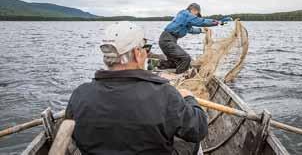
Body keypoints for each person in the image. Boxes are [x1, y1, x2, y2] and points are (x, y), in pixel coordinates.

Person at [65, 21, 208, 155]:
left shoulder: (80, 94)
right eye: (146, 48)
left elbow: (73, 135)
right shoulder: (165, 94)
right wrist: (189, 98)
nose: (147, 53)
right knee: (189, 141)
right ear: (137, 53)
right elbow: (199, 129)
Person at [159, 3, 222, 74]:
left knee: (176, 62)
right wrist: (216, 22)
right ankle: (179, 76)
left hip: (168, 40)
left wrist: (201, 30)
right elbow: (200, 21)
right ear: (194, 10)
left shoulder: (184, 19)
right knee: (185, 58)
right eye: (196, 15)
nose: (196, 16)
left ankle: (161, 65)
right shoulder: (186, 14)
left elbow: (191, 30)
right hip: (167, 40)